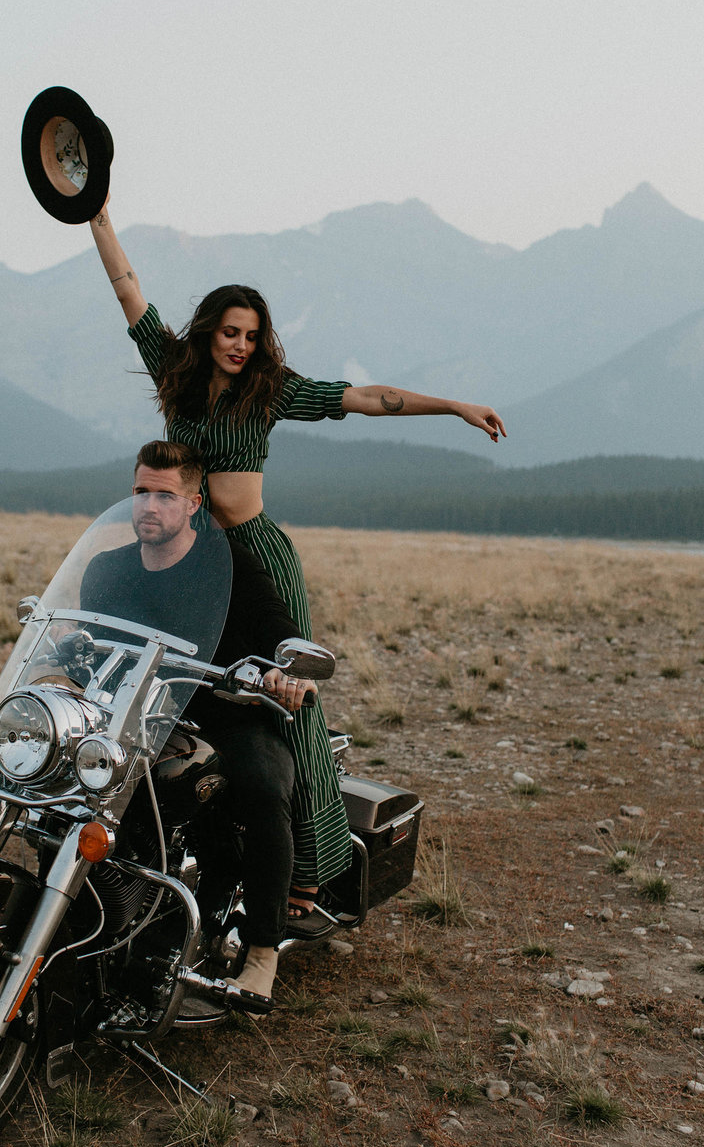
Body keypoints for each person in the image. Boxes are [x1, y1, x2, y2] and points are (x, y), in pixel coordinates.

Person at [84, 201, 507, 926]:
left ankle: (310, 870)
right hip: (187, 551)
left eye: (251, 336)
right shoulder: (177, 373)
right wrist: (97, 219)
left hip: (254, 553)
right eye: (230, 332)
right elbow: (128, 289)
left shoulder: (269, 391)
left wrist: (453, 405)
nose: (241, 346)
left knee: (288, 697)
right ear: (209, 331)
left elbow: (369, 397)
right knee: (178, 683)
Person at [80, 440, 319, 1003]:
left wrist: (290, 670)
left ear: (192, 504)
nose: (149, 506)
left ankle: (262, 950)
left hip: (226, 715)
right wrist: (56, 664)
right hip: (138, 717)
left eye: (165, 495)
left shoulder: (228, 566)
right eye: (141, 492)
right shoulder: (107, 570)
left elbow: (278, 628)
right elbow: (83, 640)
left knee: (262, 788)